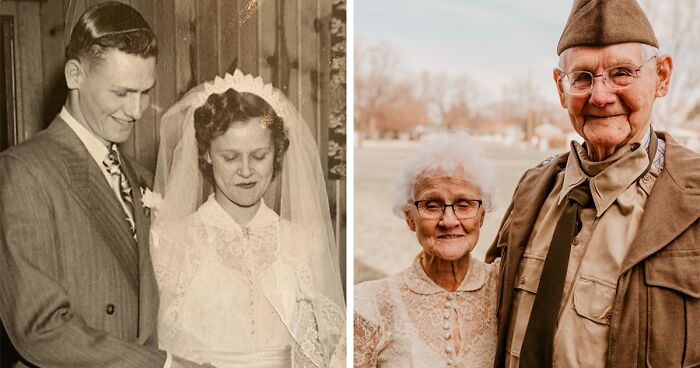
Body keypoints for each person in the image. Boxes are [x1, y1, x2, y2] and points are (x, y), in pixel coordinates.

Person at [486, 0, 700, 367]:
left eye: (622, 73)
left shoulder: (692, 200)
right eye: (582, 78)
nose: (600, 96)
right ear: (560, 88)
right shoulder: (531, 190)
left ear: (661, 76)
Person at [0, 2, 203, 367]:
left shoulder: (138, 175)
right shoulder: (24, 172)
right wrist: (162, 364)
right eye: (122, 93)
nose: (138, 111)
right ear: (74, 75)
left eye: (145, 92)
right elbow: (40, 326)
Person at [150, 71, 346, 367]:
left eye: (259, 156)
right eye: (230, 157)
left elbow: (331, 348)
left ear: (276, 154)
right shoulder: (170, 240)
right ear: (206, 155)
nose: (246, 170)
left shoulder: (304, 241)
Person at [354, 132, 500, 368]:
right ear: (409, 218)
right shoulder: (369, 305)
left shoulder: (507, 290)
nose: (449, 220)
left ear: (482, 216)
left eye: (464, 204)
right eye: (432, 205)